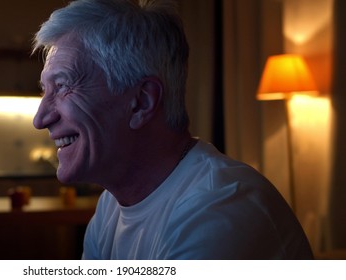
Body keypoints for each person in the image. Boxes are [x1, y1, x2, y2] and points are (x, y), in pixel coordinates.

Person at [32, 0, 313, 259]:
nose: (40, 118)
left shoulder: (219, 208)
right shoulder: (110, 208)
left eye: (64, 85)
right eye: (45, 90)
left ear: (142, 102)